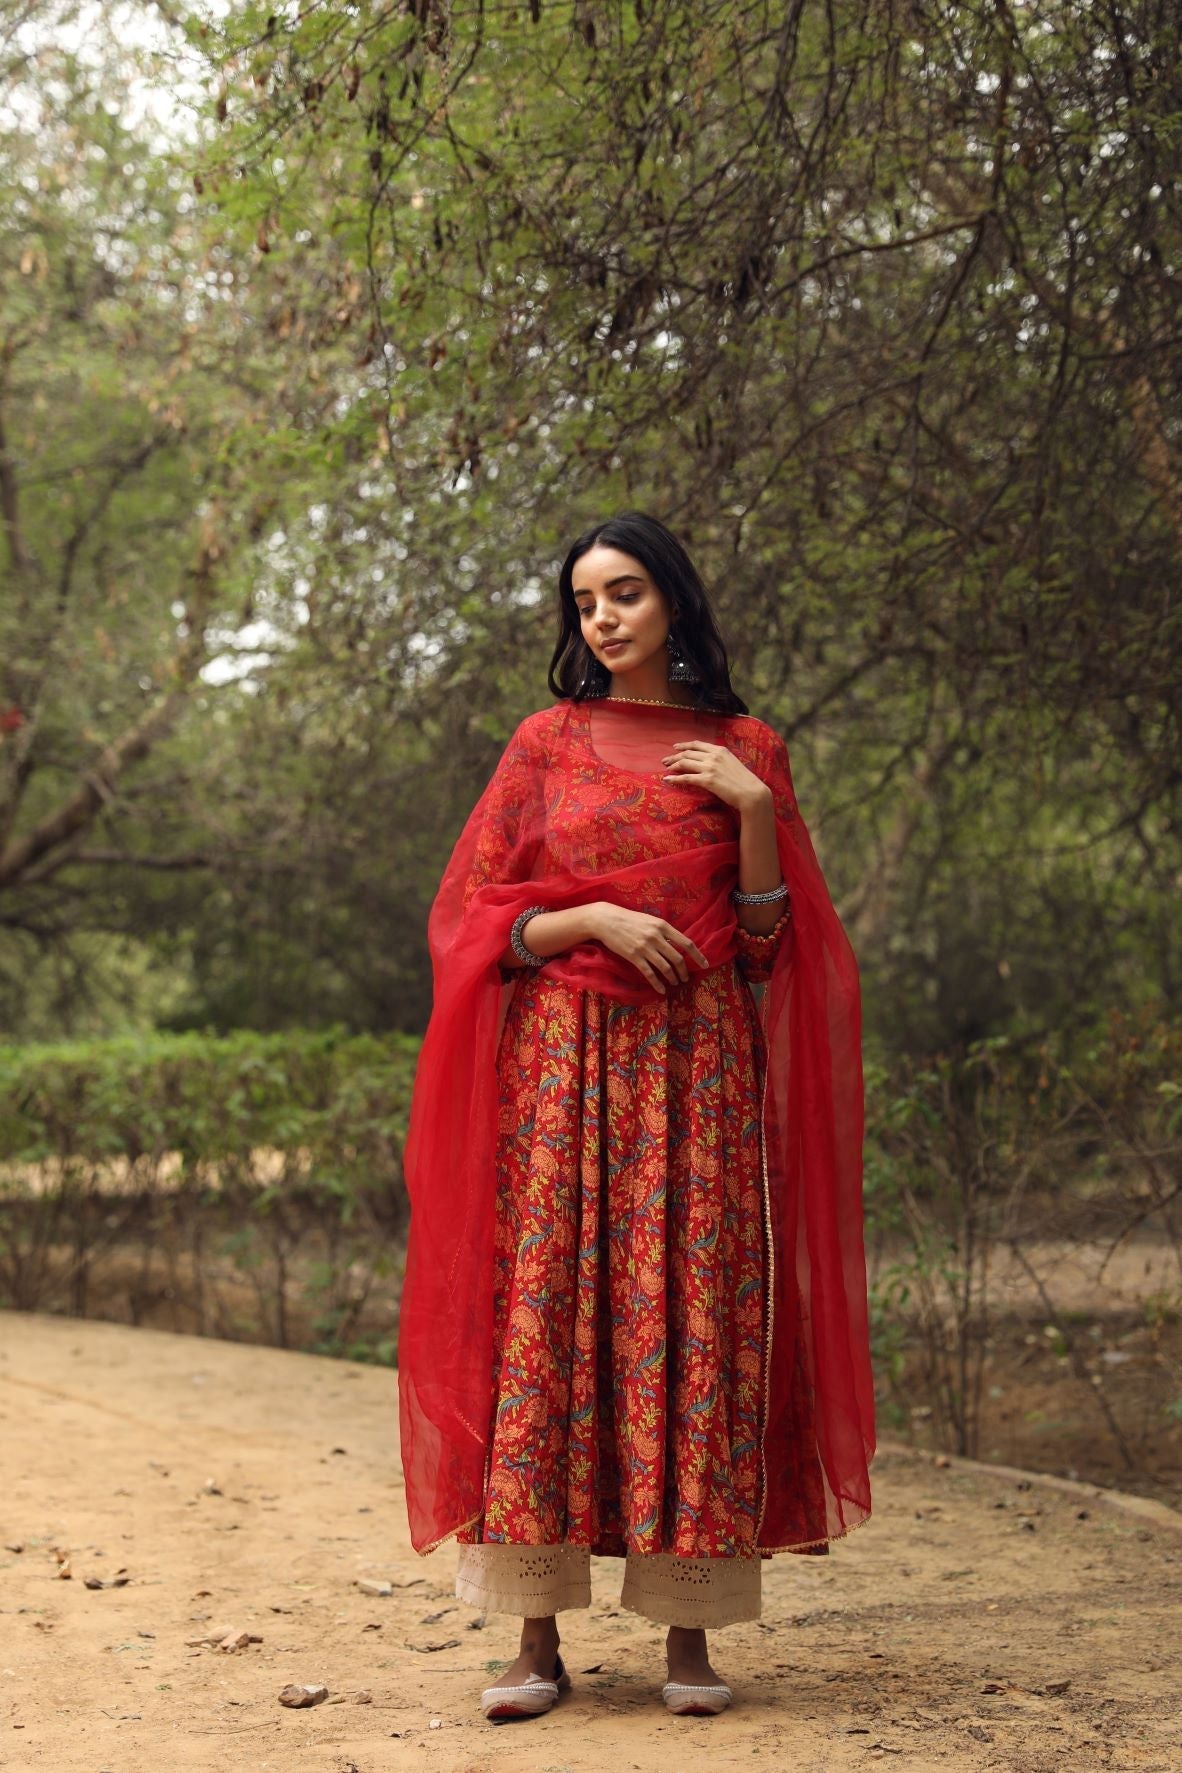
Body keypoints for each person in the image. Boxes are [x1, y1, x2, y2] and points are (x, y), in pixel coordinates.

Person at [397, 512, 875, 1722]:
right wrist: (593, 919)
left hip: (697, 1071)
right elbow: (471, 919)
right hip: (561, 1071)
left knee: (692, 1317)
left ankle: (689, 1636)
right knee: (548, 1318)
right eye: (584, 603)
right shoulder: (545, 743)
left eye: (623, 594)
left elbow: (765, 951)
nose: (602, 619)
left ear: (673, 600)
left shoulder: (748, 748)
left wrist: (755, 810)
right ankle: (536, 1638)